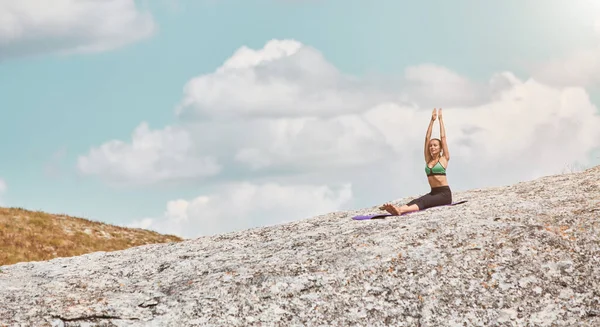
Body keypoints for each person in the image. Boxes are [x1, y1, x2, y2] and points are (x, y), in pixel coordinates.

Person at [379, 108, 452, 215]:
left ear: (440, 148)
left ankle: (400, 211)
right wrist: (432, 121)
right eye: (431, 146)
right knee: (416, 201)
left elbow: (443, 138)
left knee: (424, 202)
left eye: (435, 145)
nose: (432, 147)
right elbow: (427, 138)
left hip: (444, 194)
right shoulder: (428, 160)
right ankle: (396, 208)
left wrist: (440, 120)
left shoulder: (444, 159)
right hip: (433, 192)